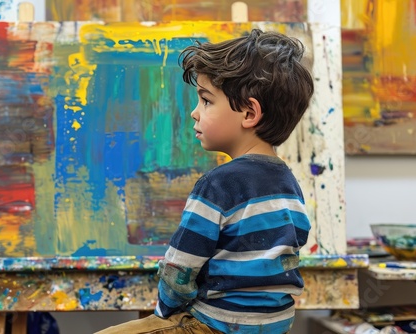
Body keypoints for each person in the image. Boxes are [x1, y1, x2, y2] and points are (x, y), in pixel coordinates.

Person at [96, 28, 314, 334]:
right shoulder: (288, 182)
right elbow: (296, 243)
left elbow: (180, 268)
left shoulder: (217, 184)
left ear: (249, 112)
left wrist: (164, 312)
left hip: (214, 326)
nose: (194, 112)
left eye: (206, 101)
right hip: (275, 326)